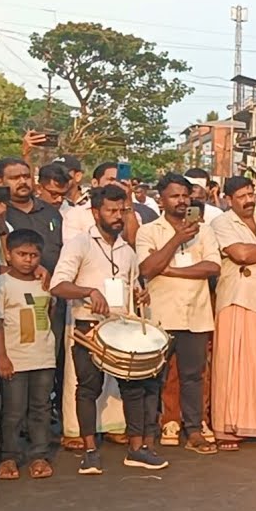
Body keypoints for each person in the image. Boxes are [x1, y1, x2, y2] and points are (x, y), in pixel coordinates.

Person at [49, 185, 166, 474]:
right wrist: (89, 291)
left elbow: (133, 283)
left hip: (122, 327)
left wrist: (140, 293)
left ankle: (136, 449)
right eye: (111, 211)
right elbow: (57, 285)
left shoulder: (127, 249)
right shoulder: (79, 244)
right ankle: (90, 451)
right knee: (88, 388)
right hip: (89, 328)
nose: (118, 216)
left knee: (134, 388)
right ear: (95, 212)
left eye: (122, 211)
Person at [136, 173, 220, 455]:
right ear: (161, 199)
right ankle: (161, 424)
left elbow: (212, 268)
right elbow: (146, 269)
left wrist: (171, 270)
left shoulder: (204, 230)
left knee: (193, 374)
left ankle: (194, 427)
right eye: (175, 196)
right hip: (161, 313)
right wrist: (176, 240)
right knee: (157, 375)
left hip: (195, 313)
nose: (182, 201)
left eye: (185, 195)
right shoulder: (149, 231)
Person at [208, 176, 256, 451]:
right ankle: (227, 428)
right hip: (235, 298)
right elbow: (241, 254)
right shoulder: (221, 223)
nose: (249, 200)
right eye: (241, 196)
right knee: (231, 364)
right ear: (228, 200)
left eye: (251, 194)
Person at [0, 229, 57, 480]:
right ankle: (10, 456)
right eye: (22, 254)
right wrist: (2, 357)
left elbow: (50, 314)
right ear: (9, 255)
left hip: (43, 356)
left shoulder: (46, 282)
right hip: (14, 358)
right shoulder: (3, 283)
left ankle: (39, 455)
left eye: (34, 255)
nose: (28, 260)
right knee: (13, 410)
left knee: (41, 408)